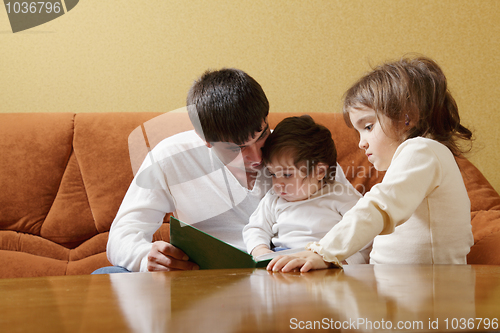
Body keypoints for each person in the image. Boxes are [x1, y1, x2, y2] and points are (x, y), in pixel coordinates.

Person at [95, 68, 361, 273]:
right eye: (236, 149)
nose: (258, 157)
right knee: (105, 275)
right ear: (206, 142)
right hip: (207, 277)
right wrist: (145, 257)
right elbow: (122, 237)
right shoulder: (170, 157)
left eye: (261, 136)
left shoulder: (300, 152)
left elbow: (358, 224)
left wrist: (334, 260)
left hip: (289, 272)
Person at [267, 56, 474, 273]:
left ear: (407, 117)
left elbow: (378, 206)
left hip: (429, 296)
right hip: (395, 287)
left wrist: (323, 252)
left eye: (367, 126)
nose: (361, 142)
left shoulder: (422, 151)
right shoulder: (418, 157)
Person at [242, 115, 369, 264]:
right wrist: (261, 251)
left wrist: (342, 262)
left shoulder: (341, 195)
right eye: (273, 174)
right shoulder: (273, 199)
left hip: (327, 260)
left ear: (319, 172)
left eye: (287, 174)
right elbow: (255, 228)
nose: (278, 184)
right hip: (283, 259)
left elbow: (366, 234)